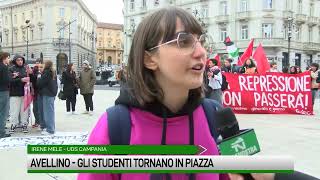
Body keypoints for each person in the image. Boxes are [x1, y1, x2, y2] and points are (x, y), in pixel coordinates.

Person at [78, 7, 236, 180]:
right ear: (149, 59)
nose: (201, 52)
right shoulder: (115, 127)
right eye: (184, 41)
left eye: (201, 41)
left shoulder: (213, 115)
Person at [8, 55, 30, 134]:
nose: (20, 61)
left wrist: (29, 77)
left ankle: (24, 124)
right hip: (14, 93)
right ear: (15, 61)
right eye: (18, 60)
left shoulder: (26, 69)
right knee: (14, 110)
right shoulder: (11, 69)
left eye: (21, 60)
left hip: (25, 93)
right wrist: (21, 79)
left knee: (24, 110)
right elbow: (10, 80)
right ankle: (14, 124)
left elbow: (30, 78)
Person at [37, 60, 58, 135]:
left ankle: (50, 130)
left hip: (47, 94)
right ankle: (50, 128)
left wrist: (39, 77)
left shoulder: (46, 72)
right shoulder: (52, 72)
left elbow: (40, 83)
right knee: (50, 112)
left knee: (48, 112)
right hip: (51, 94)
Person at [0, 52, 11, 138]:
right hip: (3, 91)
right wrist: (12, 77)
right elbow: (6, 80)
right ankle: (1, 132)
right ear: (4, 58)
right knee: (4, 112)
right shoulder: (4, 67)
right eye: (8, 58)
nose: (9, 59)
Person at [30, 59, 41, 128]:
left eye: (38, 63)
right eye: (36, 63)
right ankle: (37, 121)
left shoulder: (42, 71)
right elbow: (32, 80)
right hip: (35, 92)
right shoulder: (34, 70)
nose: (37, 64)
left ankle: (39, 121)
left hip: (40, 92)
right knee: (35, 108)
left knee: (38, 108)